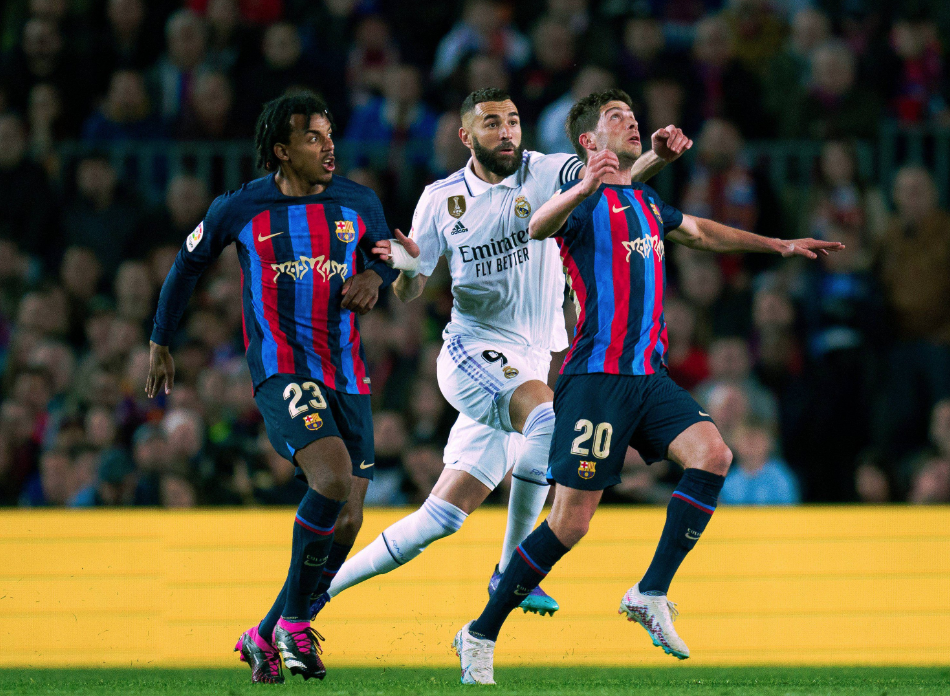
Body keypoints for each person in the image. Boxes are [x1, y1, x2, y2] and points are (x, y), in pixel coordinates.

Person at [453, 89, 842, 684]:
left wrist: (778, 245)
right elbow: (535, 226)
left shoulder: (646, 200)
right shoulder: (580, 203)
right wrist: (585, 184)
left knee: (713, 454)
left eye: (633, 116)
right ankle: (480, 633)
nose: (632, 122)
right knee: (570, 524)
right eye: (617, 117)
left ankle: (650, 592)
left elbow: (703, 233)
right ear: (589, 142)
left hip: (648, 377)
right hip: (596, 378)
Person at [309, 87, 691, 623]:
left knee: (441, 517)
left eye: (512, 120)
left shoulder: (548, 171)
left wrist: (657, 158)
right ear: (466, 136)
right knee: (547, 420)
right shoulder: (441, 199)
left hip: (528, 361)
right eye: (491, 123)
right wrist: (410, 269)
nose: (506, 131)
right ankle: (512, 568)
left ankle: (313, 598)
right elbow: (409, 290)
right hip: (473, 351)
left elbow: (611, 182)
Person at [145, 91, 398, 684]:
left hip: (348, 373)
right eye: (313, 137)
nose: (329, 146)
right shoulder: (241, 206)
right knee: (331, 479)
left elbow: (387, 255)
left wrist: (375, 276)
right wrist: (161, 340)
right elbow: (186, 264)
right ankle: (297, 625)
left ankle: (265, 634)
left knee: (348, 521)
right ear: (281, 151)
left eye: (330, 134)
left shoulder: (359, 201)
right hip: (282, 368)